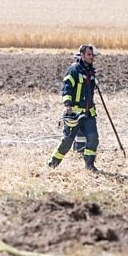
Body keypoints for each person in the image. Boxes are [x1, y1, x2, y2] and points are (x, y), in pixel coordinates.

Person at [48, 44, 100, 172]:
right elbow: (66, 88)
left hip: (88, 114)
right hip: (74, 114)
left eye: (93, 55)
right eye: (89, 54)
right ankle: (52, 164)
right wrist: (67, 105)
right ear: (82, 55)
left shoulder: (90, 71)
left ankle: (89, 165)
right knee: (67, 142)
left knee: (93, 139)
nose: (91, 57)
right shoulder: (74, 70)